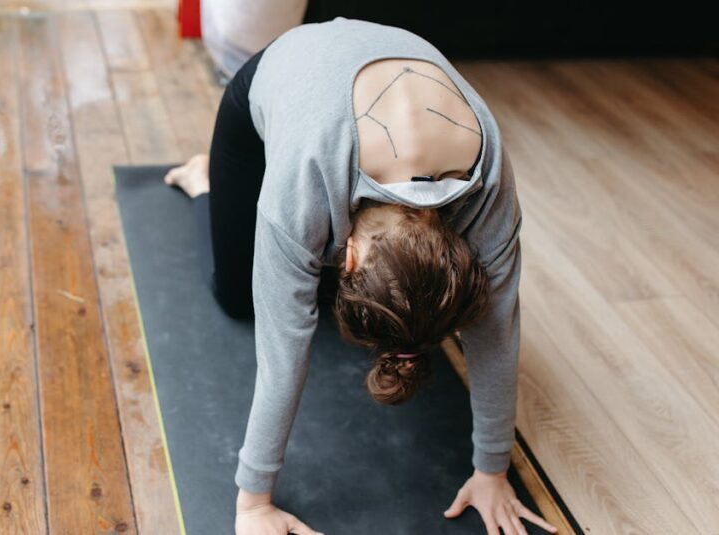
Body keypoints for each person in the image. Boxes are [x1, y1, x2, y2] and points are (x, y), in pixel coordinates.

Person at [164, 17, 558, 535]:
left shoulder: (487, 182)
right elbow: (283, 348)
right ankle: (203, 181)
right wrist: (253, 504)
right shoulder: (306, 179)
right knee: (240, 299)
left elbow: (496, 328)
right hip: (279, 74)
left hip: (368, 85)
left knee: (376, 292)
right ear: (344, 256)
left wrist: (492, 470)